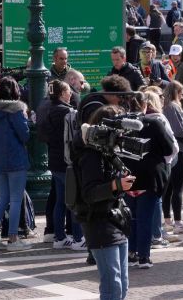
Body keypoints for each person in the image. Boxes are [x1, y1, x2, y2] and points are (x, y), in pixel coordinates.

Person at [72, 105, 134, 299]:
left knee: (122, 283)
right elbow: (90, 193)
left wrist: (124, 186)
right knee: (112, 284)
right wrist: (117, 185)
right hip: (98, 221)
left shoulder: (106, 151)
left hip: (115, 219)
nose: (122, 137)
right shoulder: (91, 154)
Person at [123, 92, 177, 267]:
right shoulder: (153, 123)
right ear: (145, 105)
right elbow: (170, 149)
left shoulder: (120, 122)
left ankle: (131, 252)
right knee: (145, 217)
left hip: (126, 176)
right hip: (149, 177)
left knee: (130, 217)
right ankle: (144, 256)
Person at [0, 77, 31, 251]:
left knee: (3, 197)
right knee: (16, 198)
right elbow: (24, 135)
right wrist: (28, 120)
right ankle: (12, 238)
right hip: (16, 158)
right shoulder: (16, 111)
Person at [37, 80, 84, 249]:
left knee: (59, 201)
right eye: (68, 91)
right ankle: (78, 238)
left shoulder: (46, 108)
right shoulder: (68, 112)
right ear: (61, 94)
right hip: (67, 162)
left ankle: (59, 237)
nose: (70, 93)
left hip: (54, 160)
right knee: (74, 201)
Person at [160, 81, 183, 235]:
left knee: (167, 188)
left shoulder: (164, 106)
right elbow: (179, 131)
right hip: (177, 150)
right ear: (175, 92)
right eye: (181, 92)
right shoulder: (172, 106)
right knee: (178, 188)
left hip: (166, 151)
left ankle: (167, 219)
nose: (182, 95)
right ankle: (178, 221)